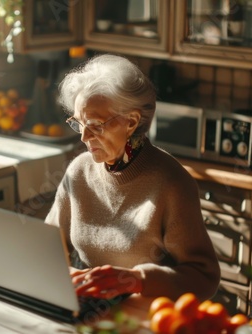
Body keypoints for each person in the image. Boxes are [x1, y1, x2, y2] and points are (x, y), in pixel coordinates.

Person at [44, 54, 220, 302]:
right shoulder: (79, 172)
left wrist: (136, 281)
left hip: (145, 316)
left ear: (131, 121)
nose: (84, 137)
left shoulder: (171, 184)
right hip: (88, 307)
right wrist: (68, 275)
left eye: (95, 124)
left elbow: (203, 278)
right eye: (79, 123)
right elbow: (47, 244)